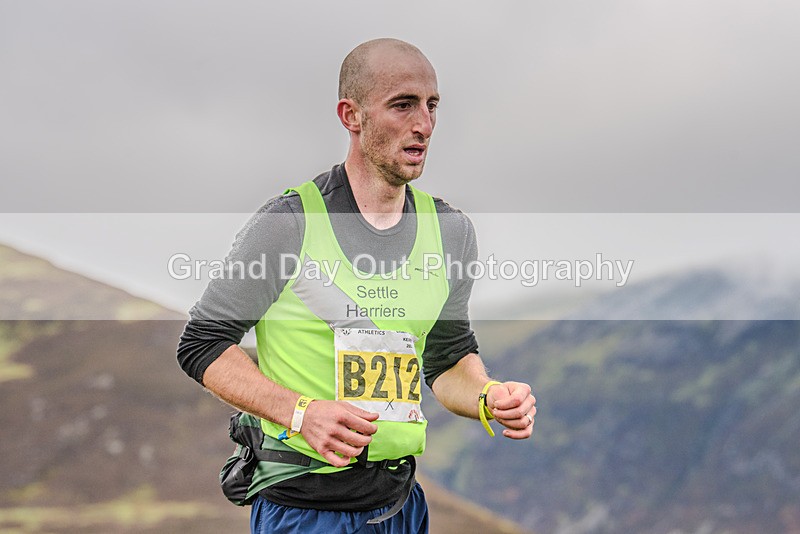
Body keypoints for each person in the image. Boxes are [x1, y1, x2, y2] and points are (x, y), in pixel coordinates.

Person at [177, 38, 536, 533]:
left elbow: (448, 357)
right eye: (403, 105)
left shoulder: (451, 232)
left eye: (432, 106)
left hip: (402, 507)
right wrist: (300, 413)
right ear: (352, 115)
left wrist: (489, 396)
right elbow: (201, 344)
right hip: (304, 512)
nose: (424, 125)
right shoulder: (290, 222)